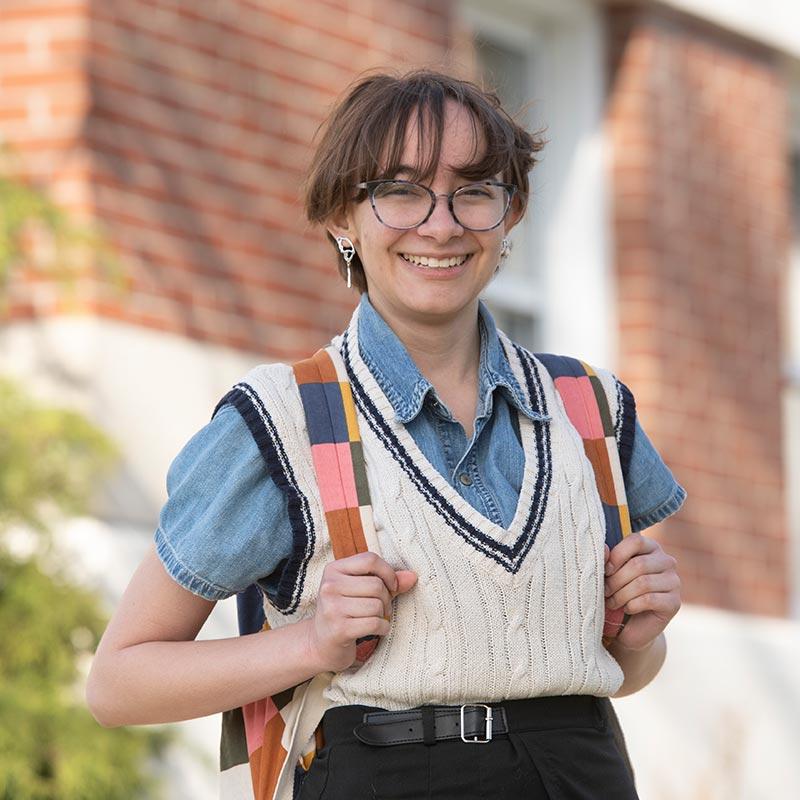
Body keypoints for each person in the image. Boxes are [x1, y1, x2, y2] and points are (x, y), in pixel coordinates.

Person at [87, 70, 685, 799]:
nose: (441, 225)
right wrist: (308, 642)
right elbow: (119, 684)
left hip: (583, 776)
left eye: (474, 190)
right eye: (400, 192)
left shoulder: (592, 411)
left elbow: (616, 674)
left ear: (511, 212)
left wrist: (640, 634)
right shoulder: (282, 421)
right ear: (344, 217)